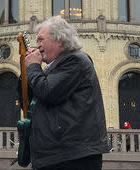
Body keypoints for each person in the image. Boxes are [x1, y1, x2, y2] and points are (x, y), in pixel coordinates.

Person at [24, 16, 108, 170]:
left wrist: (33, 68)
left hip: (73, 157)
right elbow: (29, 101)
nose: (37, 45)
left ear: (60, 40)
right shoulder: (52, 68)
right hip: (58, 155)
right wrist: (28, 70)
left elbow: (48, 92)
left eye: (41, 40)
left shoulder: (75, 61)